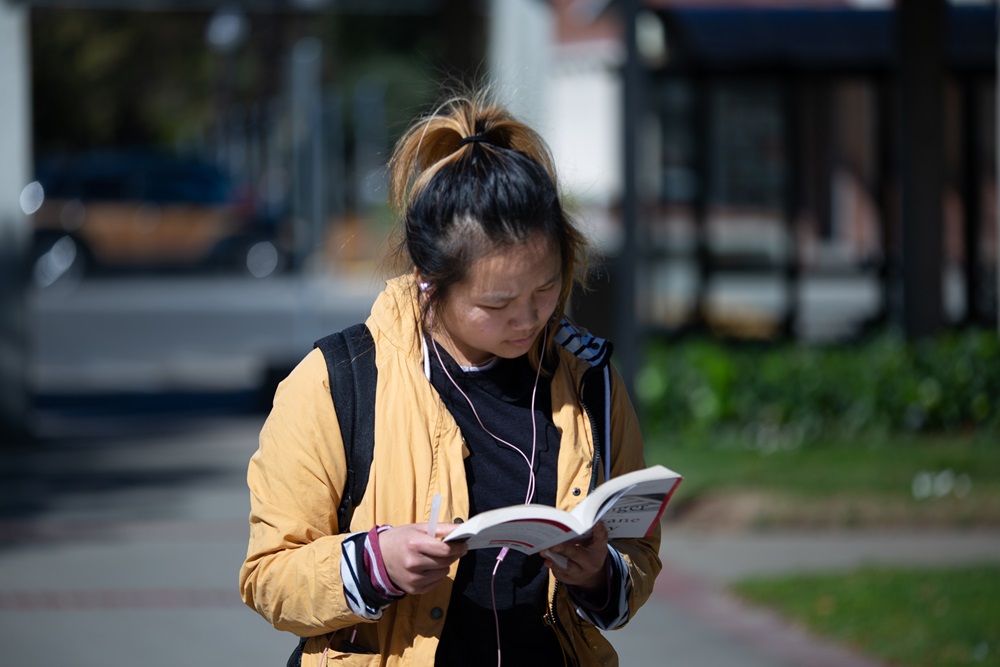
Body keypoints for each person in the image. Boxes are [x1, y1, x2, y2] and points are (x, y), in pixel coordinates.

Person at [239, 91, 661, 667]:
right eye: (498, 302)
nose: (529, 317)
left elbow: (635, 558)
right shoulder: (336, 382)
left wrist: (598, 572)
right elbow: (268, 577)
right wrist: (375, 563)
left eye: (545, 290)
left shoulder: (589, 380)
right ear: (428, 280)